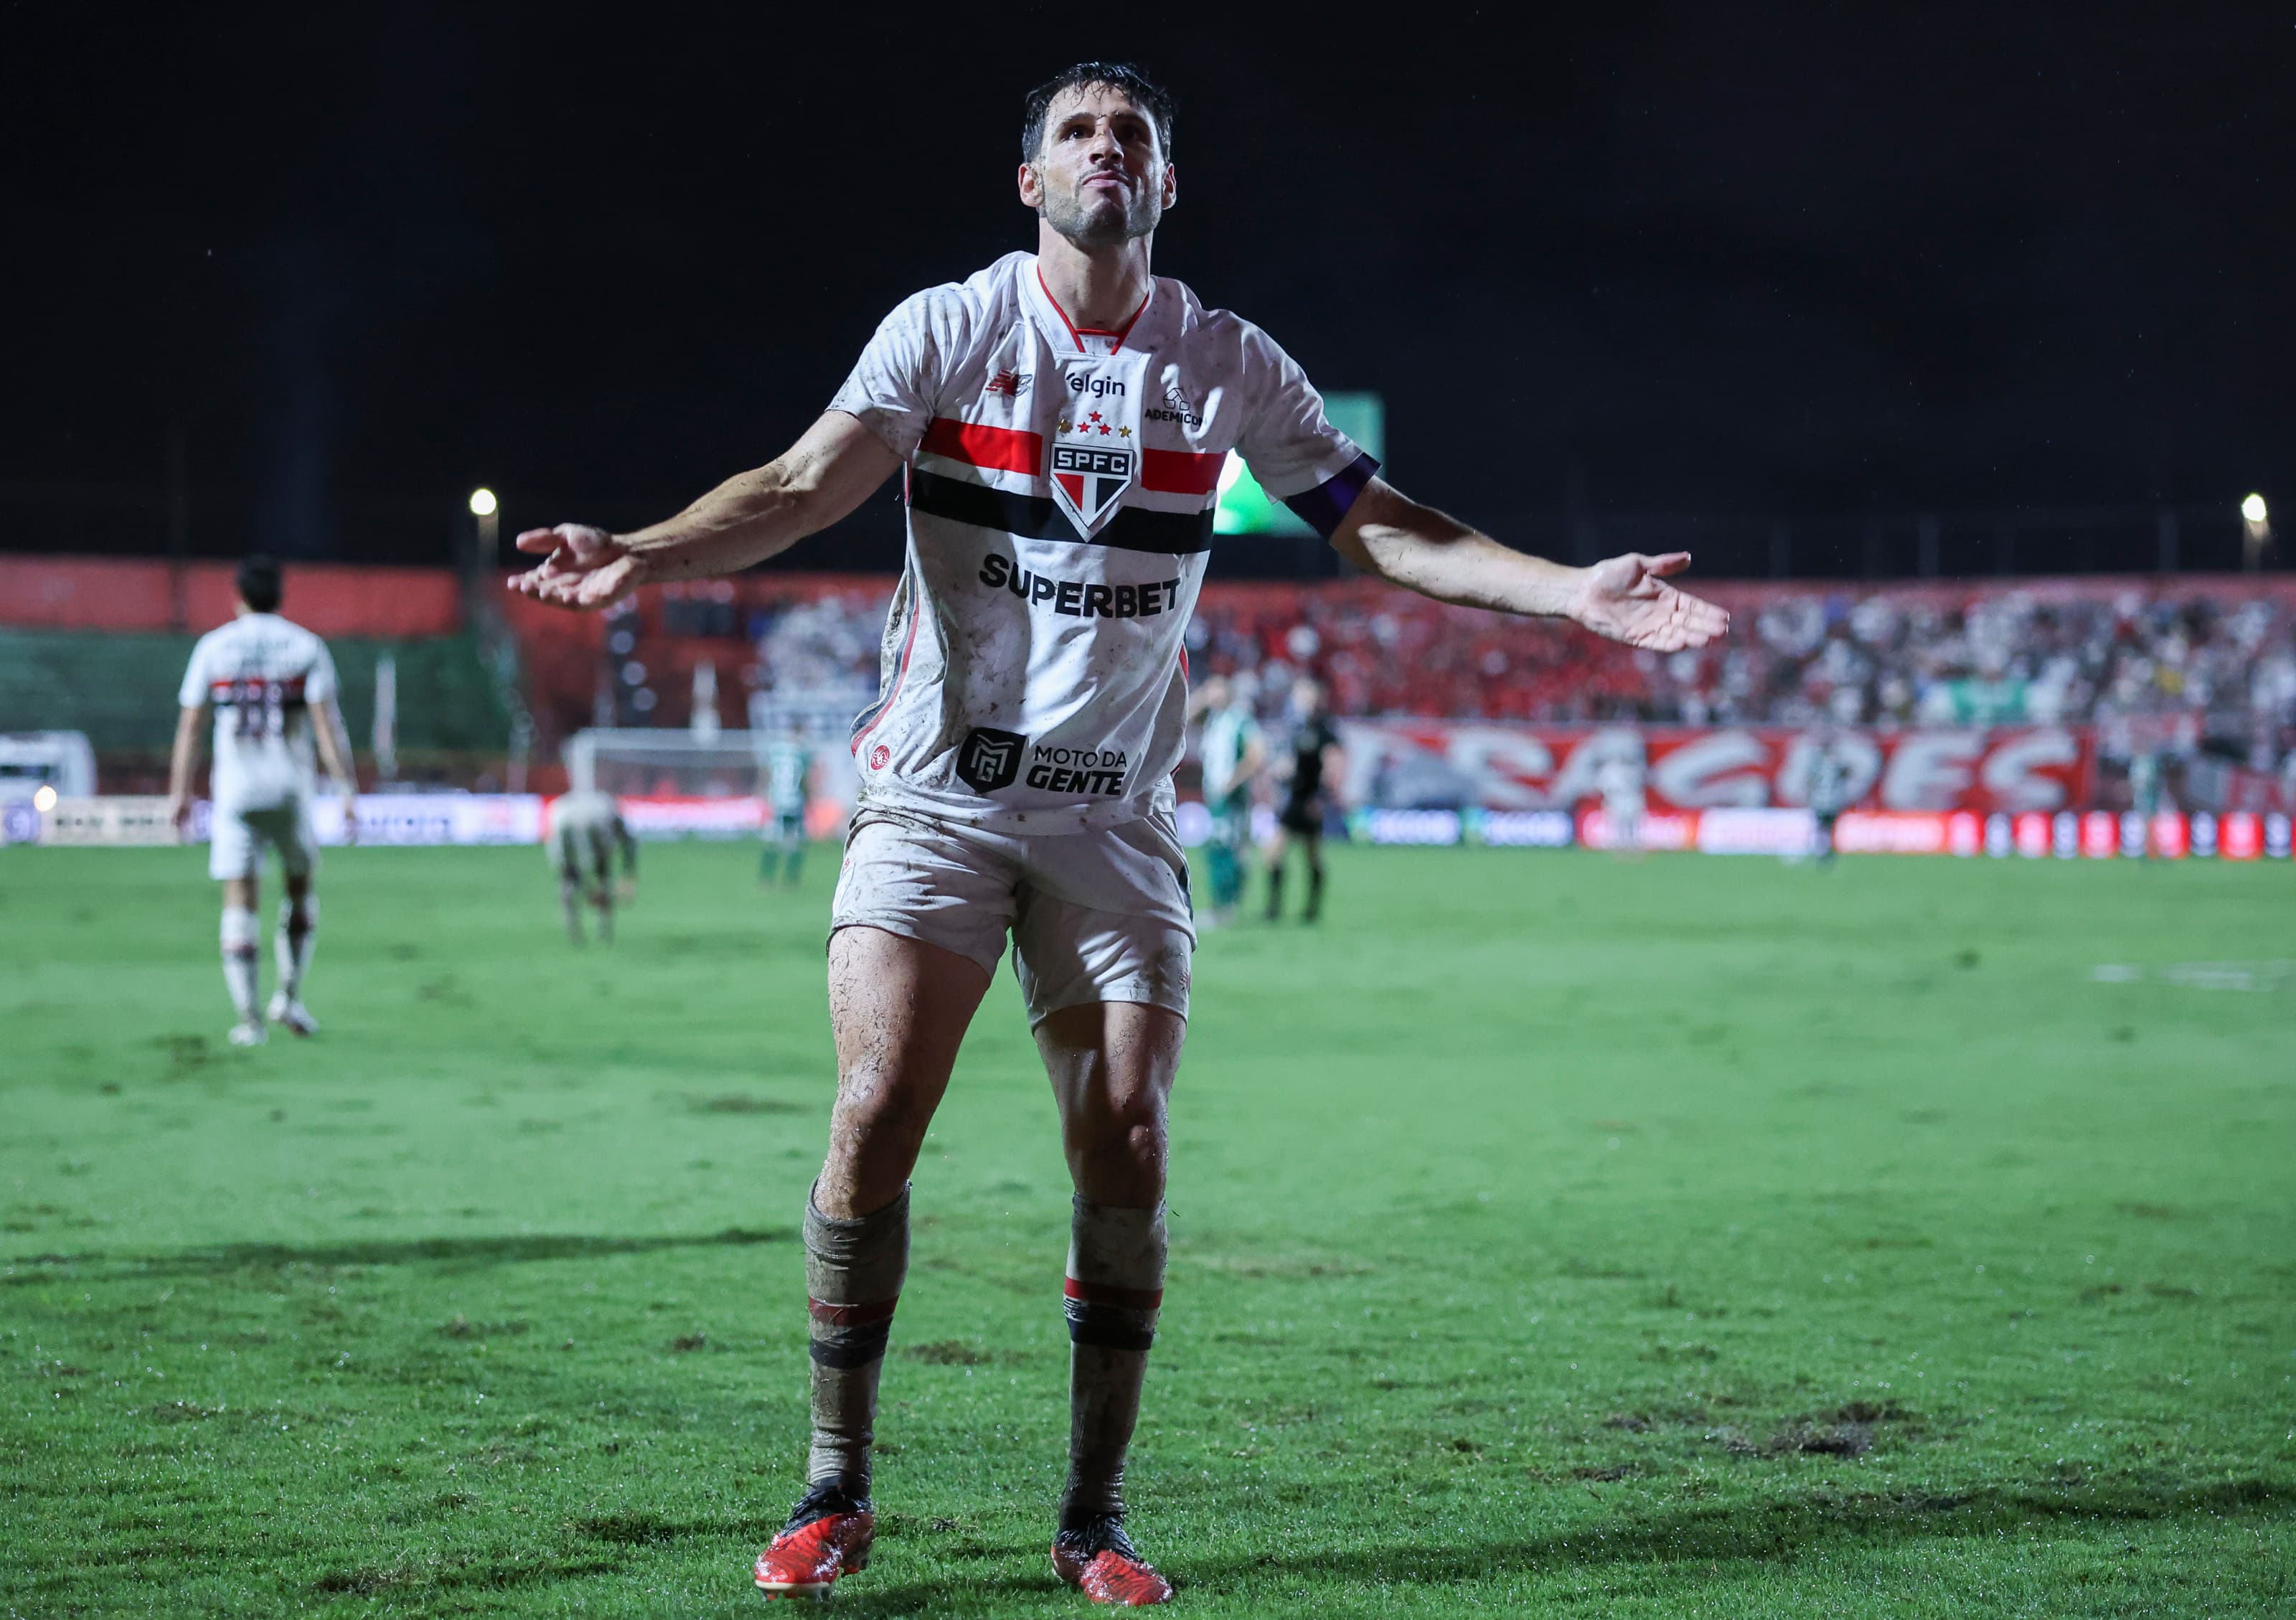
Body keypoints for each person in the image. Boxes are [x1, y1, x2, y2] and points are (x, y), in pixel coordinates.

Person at [507, 61, 1726, 1606]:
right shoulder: (948, 328)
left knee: (1128, 1144)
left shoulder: (1223, 364)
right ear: (1031, 182)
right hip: (936, 797)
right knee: (876, 1113)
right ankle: (835, 1485)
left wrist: (1567, 589)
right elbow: (806, 483)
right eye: (1078, 132)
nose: (1106, 150)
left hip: (1112, 816)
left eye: (1131, 136)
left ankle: (1092, 1517)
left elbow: (1383, 524)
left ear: (1163, 187)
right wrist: (647, 551)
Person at [166, 555, 357, 1046]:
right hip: (290, 788)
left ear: (239, 596)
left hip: (236, 791)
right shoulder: (305, 646)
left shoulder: (214, 647)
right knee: (298, 889)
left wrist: (180, 794)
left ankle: (249, 1021)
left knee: (240, 897)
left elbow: (191, 725)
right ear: (281, 596)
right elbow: (326, 724)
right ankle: (289, 998)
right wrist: (346, 787)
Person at [1264, 677, 1341, 921]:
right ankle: (1274, 908)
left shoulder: (1324, 728)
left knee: (1312, 856)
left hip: (1310, 800)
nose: (1302, 700)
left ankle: (1312, 909)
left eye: (1307, 695)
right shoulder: (1292, 727)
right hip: (1291, 799)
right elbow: (1284, 760)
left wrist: (1322, 797)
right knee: (1273, 853)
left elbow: (1332, 765)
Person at [1192, 672, 1264, 928]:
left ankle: (1224, 909)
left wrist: (1231, 783)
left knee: (1224, 850)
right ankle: (1225, 907)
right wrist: (1201, 698)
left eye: (1217, 690)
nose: (1213, 695)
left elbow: (1257, 754)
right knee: (1220, 849)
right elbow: (1183, 718)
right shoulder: (1214, 719)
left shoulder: (1238, 719)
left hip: (1231, 798)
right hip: (1216, 795)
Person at [548, 789, 638, 943]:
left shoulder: (604, 816)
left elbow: (629, 843)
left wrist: (627, 877)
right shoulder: (567, 825)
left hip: (592, 856)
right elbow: (629, 842)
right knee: (573, 889)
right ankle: (580, 930)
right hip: (575, 857)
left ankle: (598, 930)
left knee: (594, 886)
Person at [758, 733, 816, 888]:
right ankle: (791, 880)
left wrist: (765, 794)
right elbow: (805, 779)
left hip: (777, 802)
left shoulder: (776, 751)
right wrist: (810, 801)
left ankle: (766, 879)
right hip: (795, 802)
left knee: (773, 841)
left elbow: (766, 774)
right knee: (797, 842)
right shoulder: (802, 753)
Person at [1805, 727, 1848, 867]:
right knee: (1829, 829)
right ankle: (1829, 852)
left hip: (1819, 801)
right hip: (1833, 801)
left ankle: (1820, 852)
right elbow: (1845, 775)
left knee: (1820, 828)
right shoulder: (1836, 762)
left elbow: (1810, 781)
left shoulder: (1816, 761)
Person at [1596, 746, 1647, 856]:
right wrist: (1609, 796)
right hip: (1616, 798)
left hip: (1631, 797)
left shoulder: (1635, 768)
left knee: (1632, 822)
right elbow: (1603, 785)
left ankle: (1633, 844)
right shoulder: (1609, 769)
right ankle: (1619, 845)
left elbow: (1640, 784)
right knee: (1618, 822)